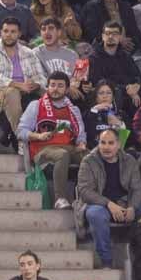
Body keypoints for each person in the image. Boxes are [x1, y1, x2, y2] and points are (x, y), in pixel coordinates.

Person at [76, 129, 141, 268]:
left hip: (125, 204)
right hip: (99, 205)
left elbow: (137, 188)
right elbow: (84, 191)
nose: (106, 147)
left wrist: (132, 206)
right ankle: (107, 261)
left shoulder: (129, 161)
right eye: (103, 143)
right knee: (96, 214)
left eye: (111, 143)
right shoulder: (88, 161)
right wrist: (108, 204)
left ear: (118, 144)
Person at [18, 71, 87, 209]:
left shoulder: (74, 110)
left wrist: (82, 143)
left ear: (67, 89)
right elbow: (20, 131)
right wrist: (38, 136)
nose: (55, 89)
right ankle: (60, 199)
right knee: (62, 154)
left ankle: (87, 197)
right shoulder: (36, 105)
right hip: (42, 150)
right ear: (47, 87)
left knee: (91, 156)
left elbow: (81, 135)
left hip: (68, 147)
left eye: (60, 86)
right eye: (52, 85)